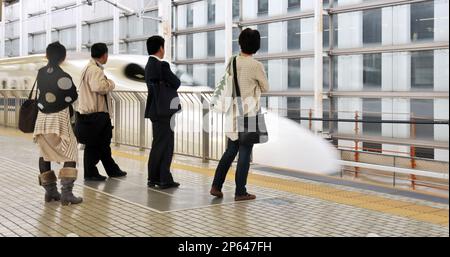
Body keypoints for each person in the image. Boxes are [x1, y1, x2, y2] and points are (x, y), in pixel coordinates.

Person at [210, 28, 270, 201]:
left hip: (232, 112)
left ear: (241, 43)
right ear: (256, 46)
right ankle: (240, 192)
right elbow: (266, 87)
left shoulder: (232, 61)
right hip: (249, 114)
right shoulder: (256, 65)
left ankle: (216, 185)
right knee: (245, 152)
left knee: (230, 150)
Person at [34, 42, 82, 206]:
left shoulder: (40, 73)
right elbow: (72, 96)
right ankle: (66, 193)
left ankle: (50, 193)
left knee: (44, 153)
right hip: (59, 118)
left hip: (41, 118)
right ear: (63, 57)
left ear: (46, 56)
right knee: (71, 152)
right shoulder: (64, 76)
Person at [78, 43, 127, 181]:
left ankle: (111, 170)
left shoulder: (88, 68)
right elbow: (98, 87)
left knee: (100, 144)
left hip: (92, 113)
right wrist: (110, 83)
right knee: (98, 145)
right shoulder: (95, 70)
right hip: (97, 114)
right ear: (104, 54)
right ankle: (91, 172)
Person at [145, 35, 181, 189]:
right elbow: (176, 82)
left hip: (155, 110)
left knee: (158, 144)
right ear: (161, 48)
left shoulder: (148, 65)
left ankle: (154, 177)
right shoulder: (162, 65)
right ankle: (164, 178)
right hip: (165, 111)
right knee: (166, 144)